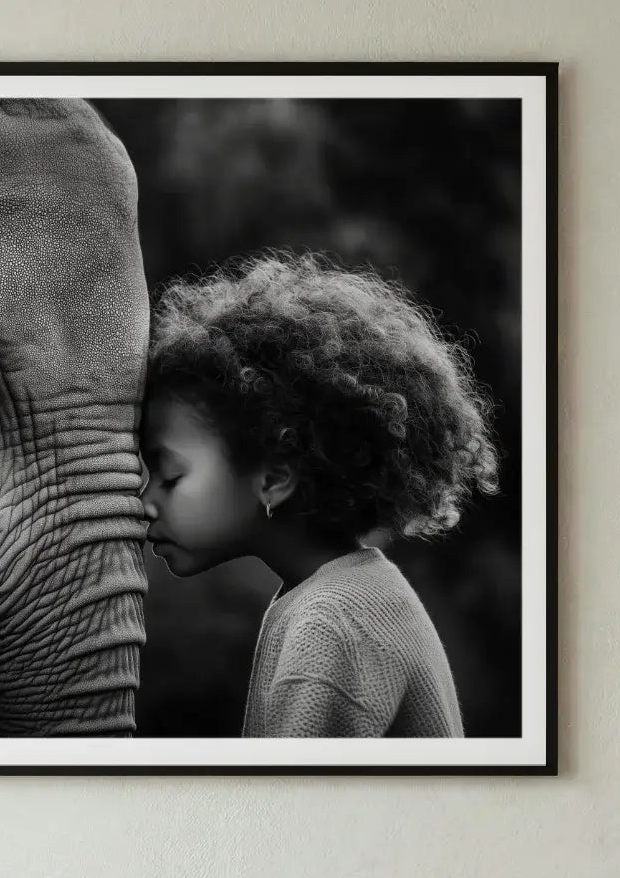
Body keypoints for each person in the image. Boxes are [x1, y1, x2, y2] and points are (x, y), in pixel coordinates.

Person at [139, 249, 499, 738]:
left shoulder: (330, 624)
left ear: (273, 479)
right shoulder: (342, 595)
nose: (145, 502)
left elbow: (295, 811)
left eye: (169, 475)